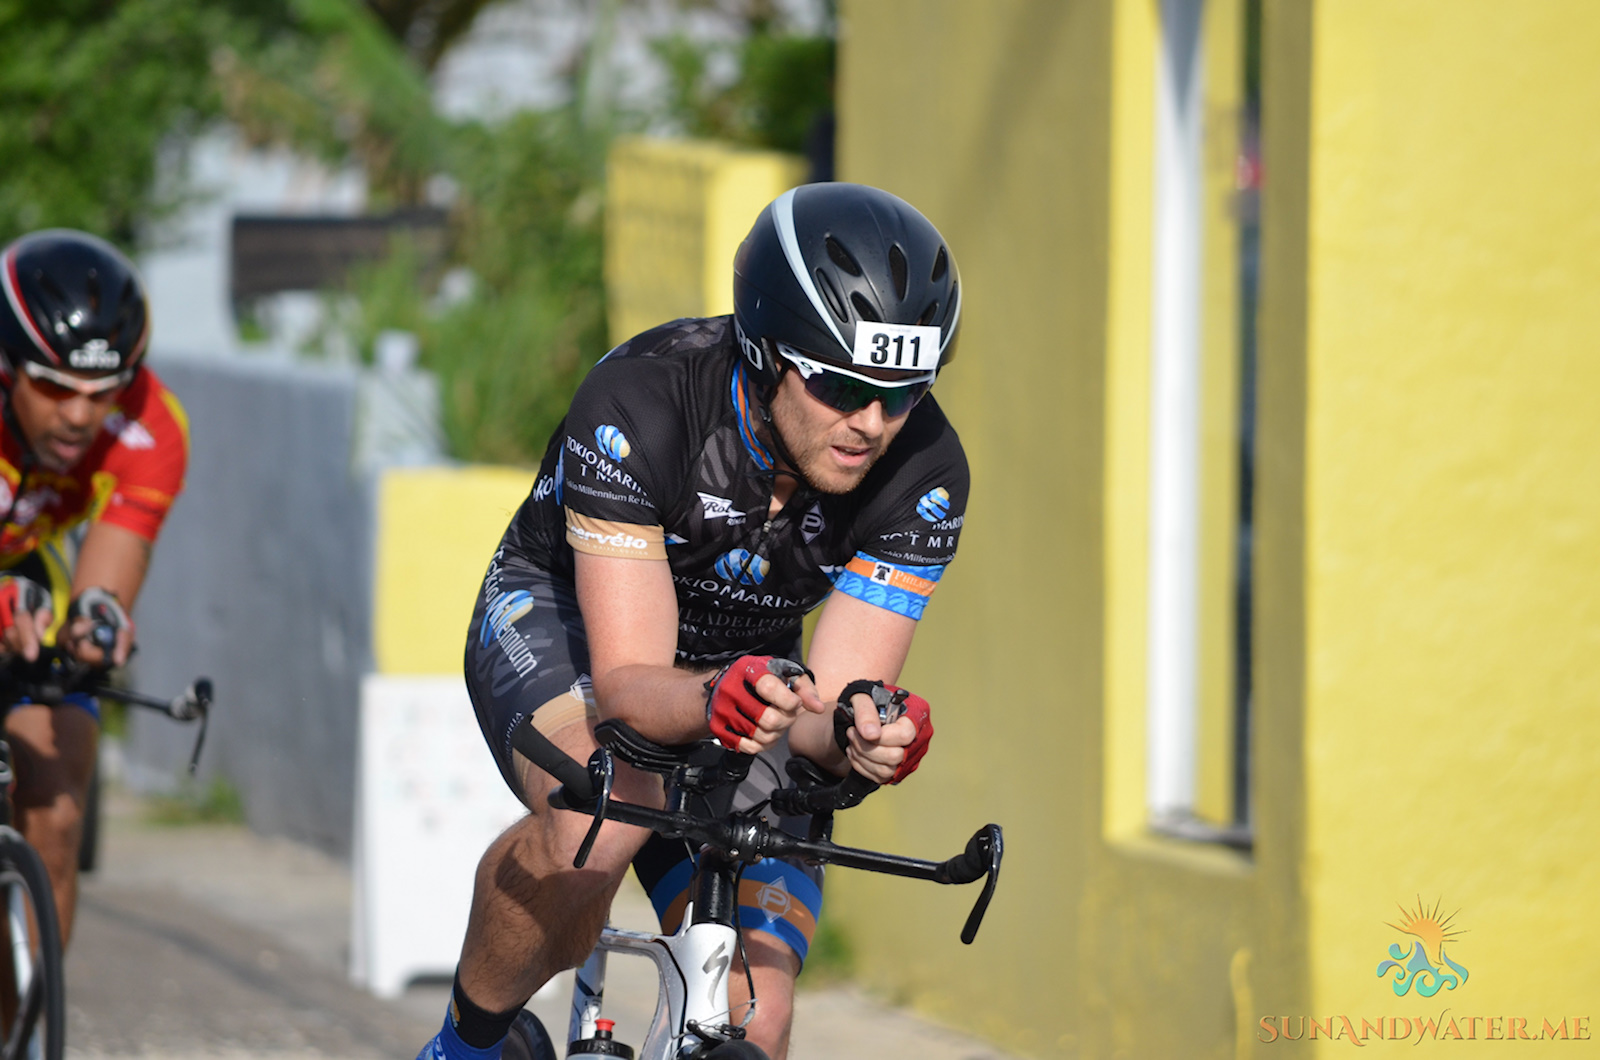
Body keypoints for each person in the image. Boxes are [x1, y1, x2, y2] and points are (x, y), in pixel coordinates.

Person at [421, 183, 967, 1060]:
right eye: (839, 385)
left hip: (745, 668)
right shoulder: (643, 403)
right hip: (569, 619)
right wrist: (722, 692)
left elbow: (826, 711)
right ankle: (466, 1045)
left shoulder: (926, 469)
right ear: (763, 349)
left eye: (902, 392)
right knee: (597, 823)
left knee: (760, 1015)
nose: (871, 424)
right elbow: (634, 688)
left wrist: (866, 735)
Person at [0, 229, 189, 944]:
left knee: (58, 803)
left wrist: (96, 621)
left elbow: (104, 580)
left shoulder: (153, 427)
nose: (79, 416)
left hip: (24, 563)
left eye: (100, 394)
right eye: (52, 387)